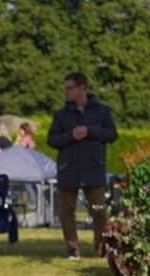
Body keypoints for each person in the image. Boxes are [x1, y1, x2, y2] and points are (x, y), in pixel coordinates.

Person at [47, 71, 117, 260]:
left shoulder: (102, 111)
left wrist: (89, 131)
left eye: (69, 88)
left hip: (93, 168)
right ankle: (72, 248)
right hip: (68, 169)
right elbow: (52, 140)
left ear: (82, 88)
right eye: (66, 89)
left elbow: (112, 134)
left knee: (99, 211)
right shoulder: (61, 115)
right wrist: (71, 135)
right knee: (67, 212)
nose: (66, 92)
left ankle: (101, 247)